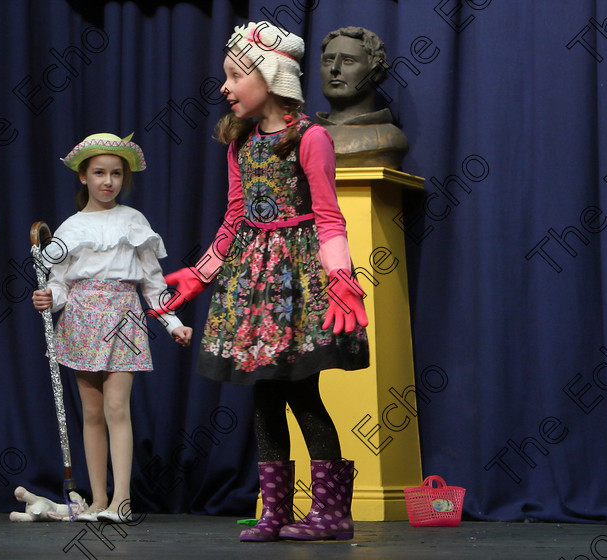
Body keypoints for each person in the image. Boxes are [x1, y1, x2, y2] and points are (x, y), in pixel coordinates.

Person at [156, 22, 369, 541]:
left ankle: (332, 513)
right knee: (264, 397)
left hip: (296, 284)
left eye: (234, 75)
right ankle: (274, 511)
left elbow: (329, 216)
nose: (225, 87)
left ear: (270, 76)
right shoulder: (240, 142)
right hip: (252, 285)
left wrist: (340, 277)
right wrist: (201, 275)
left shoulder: (311, 139)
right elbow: (234, 219)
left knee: (302, 394)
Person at [32, 133, 192, 523]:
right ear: (83, 176)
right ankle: (98, 499)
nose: (108, 181)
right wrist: (50, 298)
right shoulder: (70, 227)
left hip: (123, 316)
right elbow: (60, 282)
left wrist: (173, 323)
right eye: (100, 173)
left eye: (116, 173)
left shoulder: (134, 221)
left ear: (124, 178)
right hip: (81, 318)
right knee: (91, 412)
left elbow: (153, 284)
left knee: (116, 406)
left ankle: (122, 500)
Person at [315, 26, 409, 169]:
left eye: (348, 61)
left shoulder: (387, 139)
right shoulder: (303, 137)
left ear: (375, 72)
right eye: (328, 60)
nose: (334, 68)